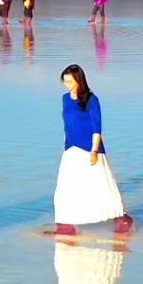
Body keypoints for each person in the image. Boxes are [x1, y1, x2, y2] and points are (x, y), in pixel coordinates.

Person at [48, 64, 133, 236]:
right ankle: (66, 225)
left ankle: (121, 219)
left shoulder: (91, 99)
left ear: (79, 80)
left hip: (90, 149)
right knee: (67, 187)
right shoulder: (65, 99)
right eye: (64, 81)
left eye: (70, 81)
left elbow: (97, 127)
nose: (67, 85)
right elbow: (67, 125)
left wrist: (94, 150)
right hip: (71, 149)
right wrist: (65, 147)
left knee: (100, 185)